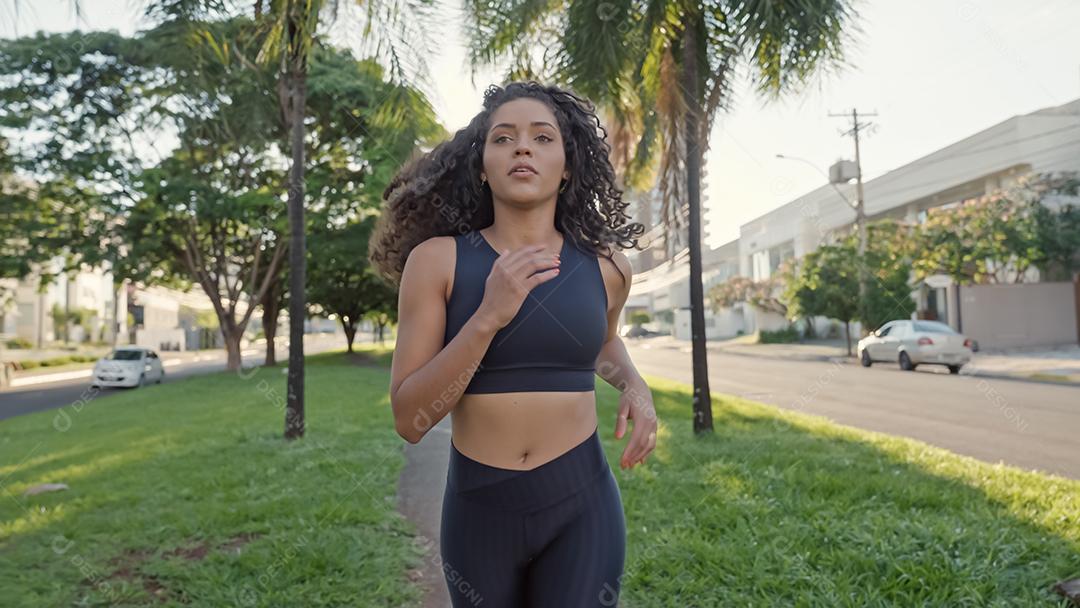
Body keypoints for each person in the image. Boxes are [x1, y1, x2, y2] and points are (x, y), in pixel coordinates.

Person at [371, 81, 658, 607]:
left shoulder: (608, 268)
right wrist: (488, 315)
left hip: (582, 504)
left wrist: (635, 384)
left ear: (567, 166)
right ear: (482, 165)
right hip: (480, 508)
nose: (522, 147)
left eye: (542, 138)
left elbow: (602, 344)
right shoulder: (437, 261)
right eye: (503, 138)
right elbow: (410, 420)